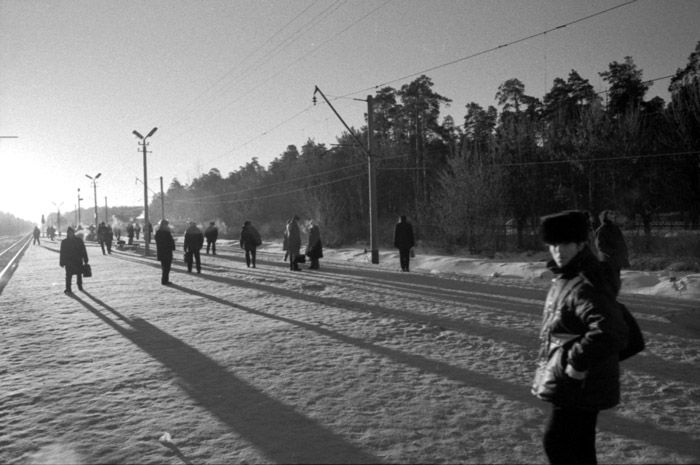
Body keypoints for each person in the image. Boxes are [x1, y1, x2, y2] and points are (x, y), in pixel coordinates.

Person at [532, 210, 628, 465]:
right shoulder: (567, 275)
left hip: (577, 383)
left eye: (565, 244)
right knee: (579, 447)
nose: (558, 251)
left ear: (581, 244)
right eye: (553, 244)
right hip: (580, 383)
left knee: (557, 443)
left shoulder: (583, 282)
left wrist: (576, 363)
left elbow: (608, 330)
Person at [595, 210, 630, 296]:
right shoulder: (601, 230)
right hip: (607, 261)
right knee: (608, 281)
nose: (612, 217)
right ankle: (606, 300)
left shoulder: (615, 228)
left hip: (617, 261)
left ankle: (612, 299)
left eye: (613, 215)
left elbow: (621, 242)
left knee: (615, 282)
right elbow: (600, 245)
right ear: (604, 217)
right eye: (610, 215)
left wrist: (624, 255)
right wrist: (612, 253)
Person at [59, 226, 89, 294]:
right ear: (67, 233)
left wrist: (85, 259)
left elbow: (83, 250)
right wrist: (62, 262)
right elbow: (62, 253)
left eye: (71, 232)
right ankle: (68, 288)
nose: (70, 234)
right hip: (69, 262)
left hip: (77, 260)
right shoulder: (64, 242)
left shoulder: (79, 240)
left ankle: (79, 285)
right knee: (68, 275)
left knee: (79, 274)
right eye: (69, 233)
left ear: (73, 233)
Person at [155, 220, 175, 285]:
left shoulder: (158, 232)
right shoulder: (166, 232)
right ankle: (165, 280)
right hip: (167, 252)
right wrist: (172, 247)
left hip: (161, 252)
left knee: (164, 267)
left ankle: (164, 280)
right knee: (167, 267)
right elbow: (170, 242)